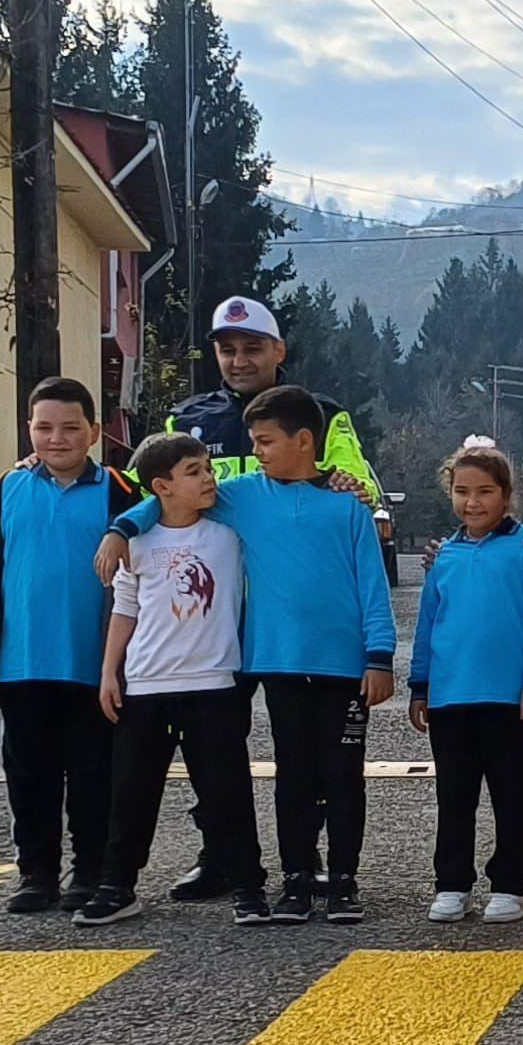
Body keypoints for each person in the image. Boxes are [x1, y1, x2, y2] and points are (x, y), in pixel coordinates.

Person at [96, 385, 397, 924]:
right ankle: (297, 880)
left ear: (304, 441)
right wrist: (123, 528)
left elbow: (373, 587)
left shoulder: (347, 510)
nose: (255, 451)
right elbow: (168, 496)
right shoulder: (241, 496)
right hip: (278, 663)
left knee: (344, 775)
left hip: (345, 668)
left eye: (263, 441)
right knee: (294, 776)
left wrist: (379, 657)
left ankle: (344, 881)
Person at [0, 378, 137, 915]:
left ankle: (90, 872)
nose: (56, 438)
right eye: (43, 427)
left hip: (93, 664)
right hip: (22, 662)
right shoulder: (3, 491)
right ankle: (35, 874)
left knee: (93, 774)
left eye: (69, 428)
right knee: (29, 774)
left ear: (94, 431)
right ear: (29, 430)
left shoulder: (121, 494)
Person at [79, 434, 260, 925]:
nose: (209, 479)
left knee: (227, 791)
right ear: (161, 486)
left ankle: (248, 885)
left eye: (207, 468)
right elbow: (125, 607)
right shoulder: (137, 542)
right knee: (132, 793)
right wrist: (108, 673)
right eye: (194, 471)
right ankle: (118, 886)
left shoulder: (229, 535)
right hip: (146, 686)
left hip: (214, 683)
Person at [413, 445, 523, 924]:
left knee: (510, 796)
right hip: (451, 697)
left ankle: (511, 884)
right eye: (461, 491)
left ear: (506, 496)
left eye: (484, 492)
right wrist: (420, 684)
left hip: (509, 697)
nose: (472, 502)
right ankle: (452, 883)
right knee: (454, 797)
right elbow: (428, 622)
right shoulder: (445, 557)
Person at [165, 295, 379, 492]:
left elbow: (360, 488)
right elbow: (150, 488)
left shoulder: (323, 415)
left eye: (252, 349)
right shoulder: (183, 420)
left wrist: (353, 488)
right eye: (228, 351)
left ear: (279, 351)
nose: (239, 362)